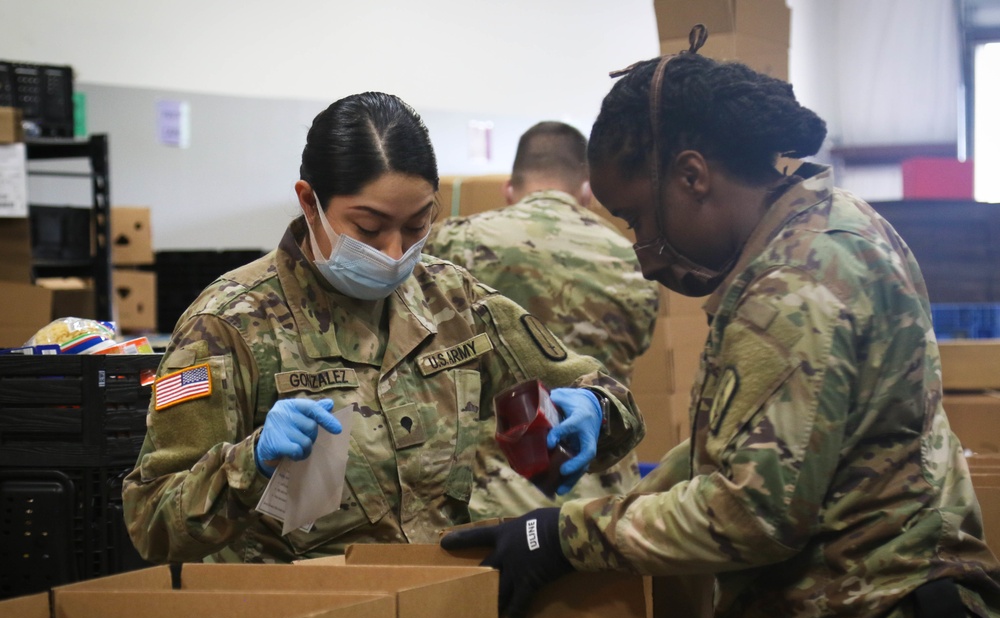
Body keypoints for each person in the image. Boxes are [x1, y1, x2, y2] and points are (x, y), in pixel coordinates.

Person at [442, 29, 1000, 618]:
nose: (643, 254)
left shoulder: (796, 285)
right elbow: (752, 442)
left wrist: (565, 536)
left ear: (692, 176)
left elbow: (751, 512)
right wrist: (623, 498)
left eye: (638, 220)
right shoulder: (825, 227)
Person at [121, 91, 644, 565]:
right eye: (369, 229)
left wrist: (596, 408)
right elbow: (152, 524)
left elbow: (602, 393)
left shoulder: (452, 300)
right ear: (310, 202)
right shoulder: (228, 325)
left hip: (437, 607)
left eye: (417, 225)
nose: (395, 253)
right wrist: (248, 463)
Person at [425, 121, 659, 516]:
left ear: (509, 189)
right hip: (601, 497)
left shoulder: (456, 241)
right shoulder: (634, 259)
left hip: (495, 494)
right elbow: (636, 349)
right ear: (587, 191)